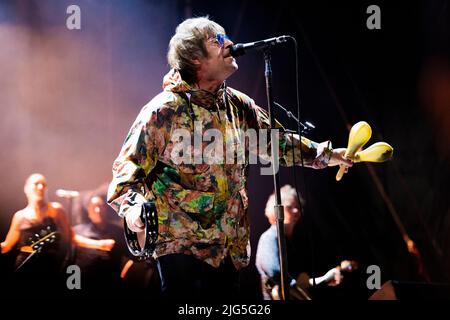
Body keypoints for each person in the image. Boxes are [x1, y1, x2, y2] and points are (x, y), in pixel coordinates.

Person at [107, 16, 352, 300]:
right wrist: (133, 208)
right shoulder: (164, 110)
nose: (230, 44)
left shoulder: (238, 105)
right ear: (196, 58)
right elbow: (126, 171)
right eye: (217, 40)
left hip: (228, 248)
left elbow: (277, 142)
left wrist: (328, 155)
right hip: (182, 248)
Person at [0, 173, 115, 295]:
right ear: (26, 188)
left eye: (43, 184)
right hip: (25, 266)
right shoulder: (19, 216)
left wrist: (100, 244)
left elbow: (73, 238)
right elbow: (7, 245)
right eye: (36, 184)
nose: (40, 187)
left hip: (49, 268)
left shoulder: (56, 210)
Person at [256, 185, 346, 300]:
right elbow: (275, 273)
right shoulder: (269, 238)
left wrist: (324, 278)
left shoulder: (294, 239)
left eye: (298, 206)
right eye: (290, 207)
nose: (296, 210)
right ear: (276, 210)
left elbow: (301, 281)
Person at [72, 196, 129, 295]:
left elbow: (134, 256)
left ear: (106, 209)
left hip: (110, 285)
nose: (98, 210)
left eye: (101, 206)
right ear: (88, 211)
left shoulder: (118, 232)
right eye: (94, 207)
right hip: (82, 284)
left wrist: (126, 272)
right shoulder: (77, 232)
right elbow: (69, 260)